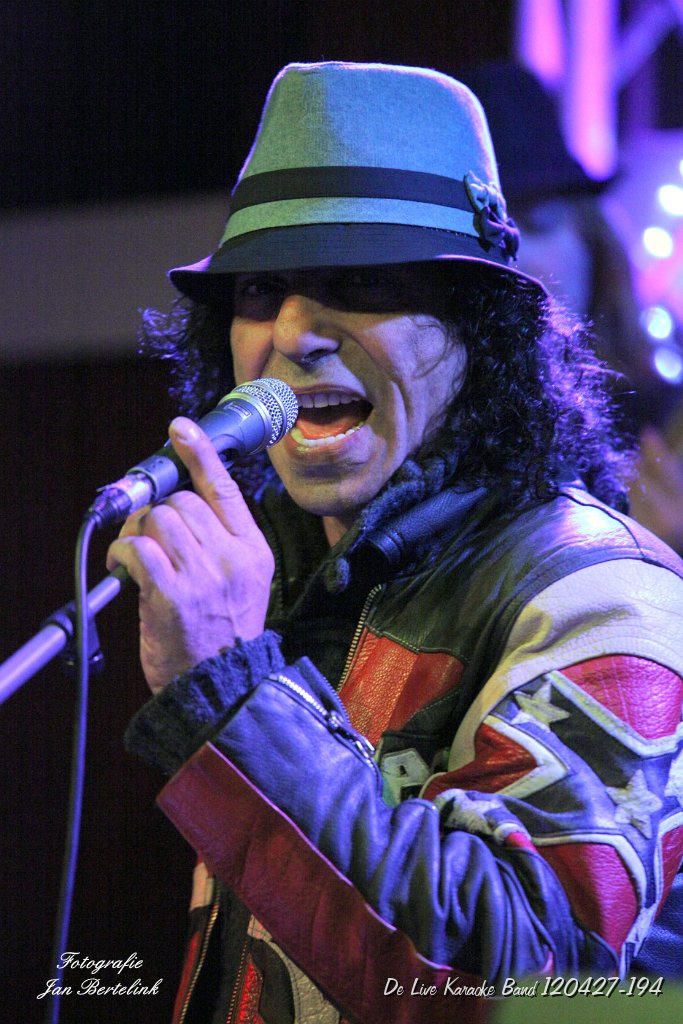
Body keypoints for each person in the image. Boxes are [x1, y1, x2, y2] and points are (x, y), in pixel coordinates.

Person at [109, 63, 683, 1024]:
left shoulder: (604, 596)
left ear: (481, 329)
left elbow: (524, 989)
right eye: (261, 290)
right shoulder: (284, 585)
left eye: (362, 282)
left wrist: (233, 698)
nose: (294, 334)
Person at [461, 61, 683, 556]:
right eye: (487, 234)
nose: (517, 257)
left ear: (592, 242)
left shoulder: (667, 423)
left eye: (539, 221)